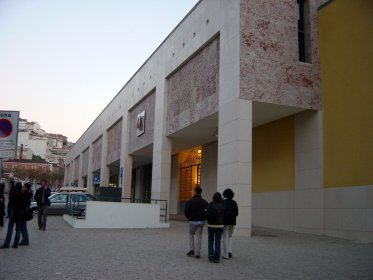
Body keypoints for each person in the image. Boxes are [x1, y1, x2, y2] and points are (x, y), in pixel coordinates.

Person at [184, 186, 208, 258]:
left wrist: (189, 218)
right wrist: (204, 218)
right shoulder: (204, 202)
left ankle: (192, 250)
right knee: (199, 236)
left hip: (192, 221)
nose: (192, 192)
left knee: (191, 234)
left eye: (192, 191)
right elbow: (207, 211)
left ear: (195, 192)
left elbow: (186, 211)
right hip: (201, 221)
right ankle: (197, 253)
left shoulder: (190, 201)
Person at [205, 192, 225, 263]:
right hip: (220, 226)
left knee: (210, 240)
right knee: (218, 241)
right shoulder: (223, 206)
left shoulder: (210, 204)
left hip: (211, 225)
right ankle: (217, 258)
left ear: (213, 197)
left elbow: (206, 214)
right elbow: (225, 216)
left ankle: (211, 255)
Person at [222, 188, 238, 259]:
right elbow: (236, 213)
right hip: (233, 222)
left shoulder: (222, 202)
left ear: (224, 194)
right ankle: (230, 251)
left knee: (225, 237)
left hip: (225, 222)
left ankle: (226, 255)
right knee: (230, 237)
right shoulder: (234, 202)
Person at [0, 181, 17, 249]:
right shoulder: (1, 194)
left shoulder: (2, 194)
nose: (5, 189)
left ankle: (8, 243)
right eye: (4, 188)